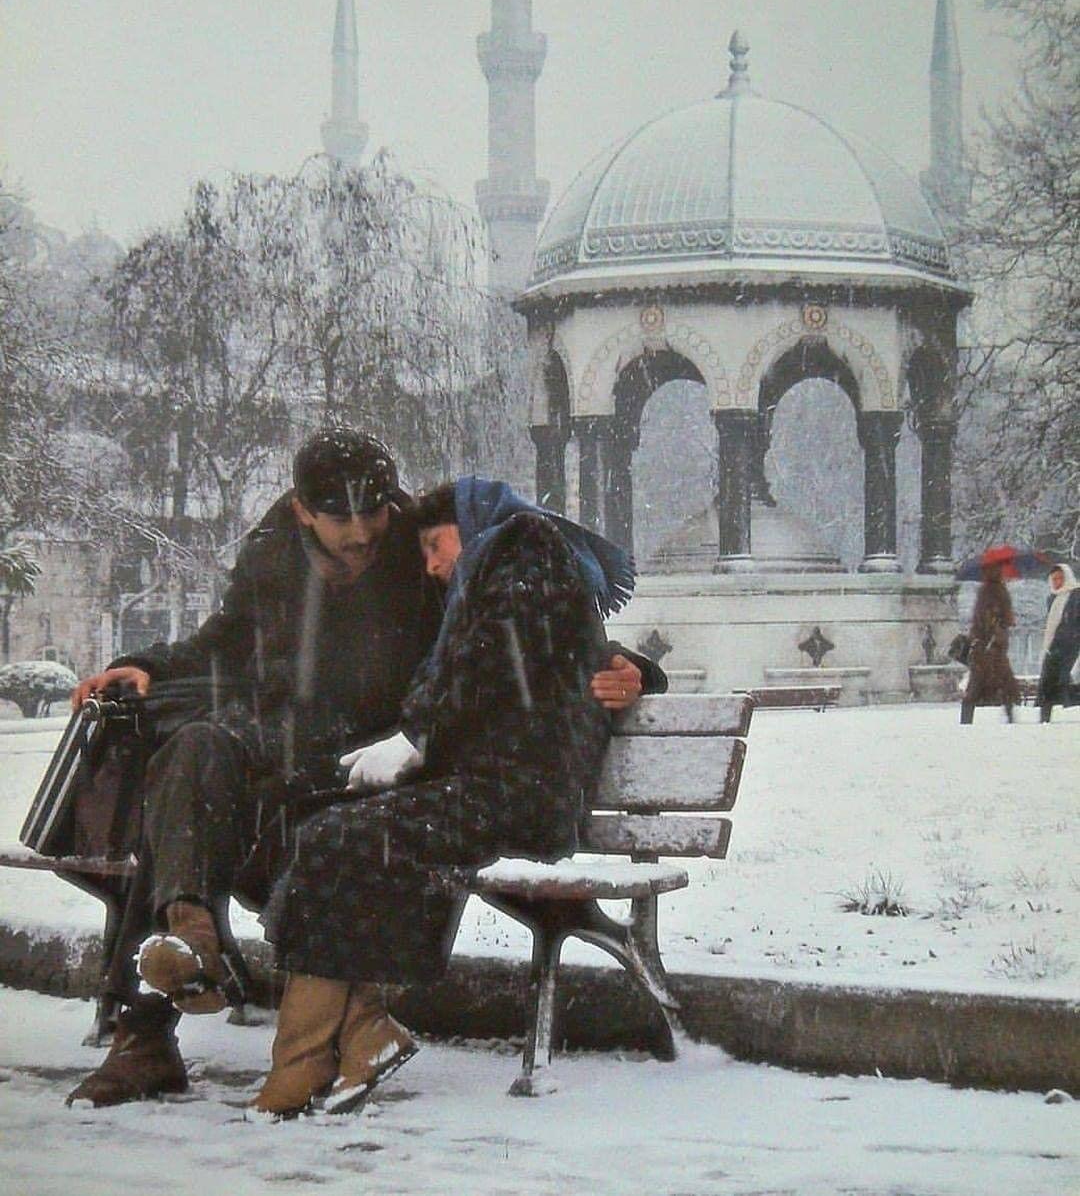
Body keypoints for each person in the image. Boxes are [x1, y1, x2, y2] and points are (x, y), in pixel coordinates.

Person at [64, 434, 649, 1108]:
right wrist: (153, 667)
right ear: (303, 511)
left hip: (380, 755)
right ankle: (178, 962)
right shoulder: (273, 554)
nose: (362, 531)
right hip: (289, 740)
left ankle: (188, 1013)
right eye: (340, 518)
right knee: (190, 756)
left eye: (372, 512)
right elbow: (223, 641)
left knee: (213, 809)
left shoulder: (417, 545)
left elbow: (518, 624)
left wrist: (633, 670)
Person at [252, 477, 665, 1117]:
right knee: (326, 826)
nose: (433, 564)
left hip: (521, 797)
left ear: (472, 524)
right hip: (490, 789)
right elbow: (539, 644)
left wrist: (419, 733)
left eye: (436, 545)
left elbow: (501, 651)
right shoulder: (500, 573)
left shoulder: (526, 546)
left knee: (349, 836)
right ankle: (356, 1040)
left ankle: (307, 1064)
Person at [960, 548, 1021, 725]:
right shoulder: (995, 591)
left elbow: (984, 618)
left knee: (982, 684)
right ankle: (1008, 716)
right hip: (990, 646)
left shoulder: (988, 590)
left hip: (986, 645)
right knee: (996, 683)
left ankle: (967, 720)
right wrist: (999, 628)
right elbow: (991, 618)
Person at [1036, 563, 1080, 723]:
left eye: (1060, 578)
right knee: (1047, 682)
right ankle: (1044, 719)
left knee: (1066, 682)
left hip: (1072, 646)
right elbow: (1051, 624)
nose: (1057, 582)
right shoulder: (1052, 598)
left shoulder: (1076, 594)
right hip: (1054, 647)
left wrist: (1073, 635)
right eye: (1054, 579)